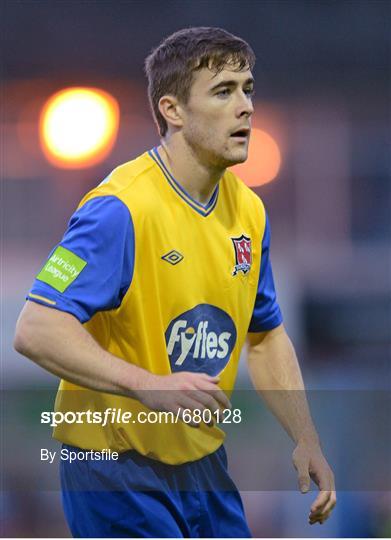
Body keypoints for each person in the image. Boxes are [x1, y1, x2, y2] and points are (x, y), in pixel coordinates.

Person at [14, 27, 336, 538]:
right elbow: (35, 327)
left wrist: (306, 437)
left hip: (203, 467)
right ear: (173, 111)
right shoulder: (118, 211)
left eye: (248, 88)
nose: (246, 107)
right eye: (224, 91)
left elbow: (267, 333)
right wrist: (148, 386)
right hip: (112, 469)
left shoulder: (249, 212)